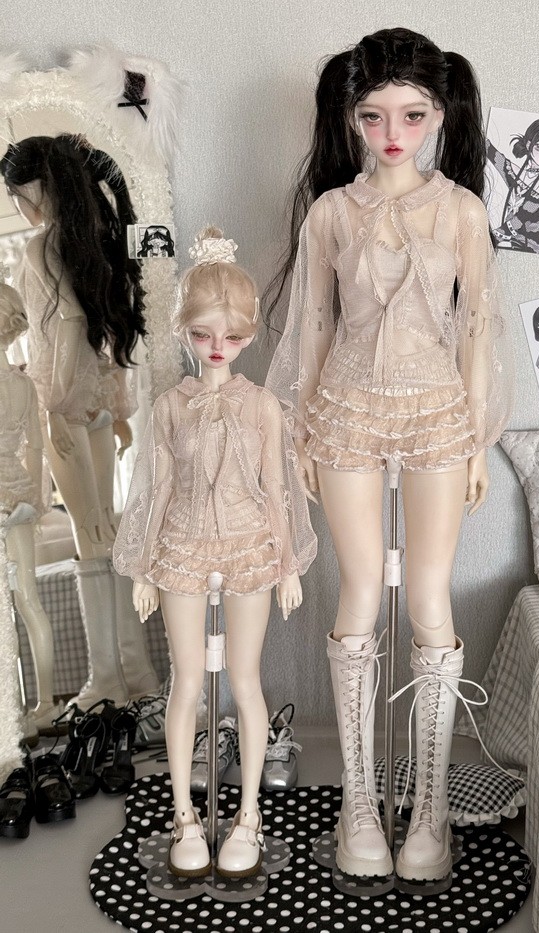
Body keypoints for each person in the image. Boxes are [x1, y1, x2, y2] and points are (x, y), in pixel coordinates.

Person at [265, 28, 512, 882]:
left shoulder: (461, 211)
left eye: (411, 114)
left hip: (438, 412)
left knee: (431, 597)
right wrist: (301, 427)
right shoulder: (333, 213)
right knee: (361, 591)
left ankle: (430, 808)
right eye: (374, 116)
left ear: (440, 114)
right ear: (351, 119)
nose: (392, 133)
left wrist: (475, 437)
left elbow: (477, 326)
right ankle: (360, 805)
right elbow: (314, 324)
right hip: (345, 410)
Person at [113, 228, 316, 879]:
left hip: (251, 546)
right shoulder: (170, 406)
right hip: (181, 546)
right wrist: (144, 566)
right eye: (203, 334)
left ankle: (248, 814)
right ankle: (184, 815)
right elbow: (156, 488)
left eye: (229, 334)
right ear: (187, 333)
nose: (217, 346)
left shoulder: (262, 406)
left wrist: (287, 565)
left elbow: (278, 490)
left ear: (247, 334)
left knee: (246, 681)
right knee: (188, 683)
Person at [0, 134, 158, 707]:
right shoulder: (90, 238)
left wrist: (54, 403)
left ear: (33, 189)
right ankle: (134, 675)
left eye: (16, 194)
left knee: (88, 535)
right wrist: (107, 408)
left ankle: (110, 679)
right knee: (102, 530)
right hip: (96, 399)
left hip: (66, 401)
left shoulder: (41, 246)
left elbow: (66, 324)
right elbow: (100, 332)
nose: (17, 205)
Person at [0, 283, 60, 733]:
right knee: (29, 602)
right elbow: (36, 450)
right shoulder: (23, 385)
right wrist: (35, 502)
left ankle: (14, 713)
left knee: (12, 609)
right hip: (19, 494)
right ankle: (45, 703)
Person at [486, 117, 539, 254]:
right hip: (507, 238)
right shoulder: (515, 171)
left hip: (532, 244)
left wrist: (493, 236)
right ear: (529, 144)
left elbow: (522, 216)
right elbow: (492, 153)